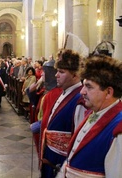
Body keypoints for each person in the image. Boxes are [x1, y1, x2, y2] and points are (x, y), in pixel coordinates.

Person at [56, 55, 122, 178]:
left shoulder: (119, 128)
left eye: (89, 86)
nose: (82, 91)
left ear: (108, 92)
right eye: (83, 85)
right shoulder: (94, 112)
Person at [39, 49, 87, 178]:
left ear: (75, 75)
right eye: (57, 71)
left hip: (61, 160)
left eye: (61, 72)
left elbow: (79, 139)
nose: (56, 75)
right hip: (51, 156)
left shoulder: (80, 100)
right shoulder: (64, 92)